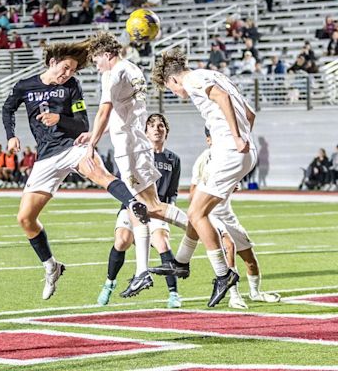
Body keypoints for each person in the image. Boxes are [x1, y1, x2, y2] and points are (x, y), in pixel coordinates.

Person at [2, 40, 149, 300]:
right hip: (46, 157)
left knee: (98, 173)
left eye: (72, 70)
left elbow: (82, 123)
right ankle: (51, 266)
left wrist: (60, 119)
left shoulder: (71, 86)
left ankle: (133, 202)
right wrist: (11, 136)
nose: (67, 74)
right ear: (51, 63)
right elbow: (8, 108)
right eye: (65, 68)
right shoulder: (25, 86)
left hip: (72, 147)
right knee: (25, 219)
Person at [78, 32, 194, 299]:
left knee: (149, 207)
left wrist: (92, 143)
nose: (96, 66)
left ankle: (202, 226)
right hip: (137, 145)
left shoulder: (113, 73)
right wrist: (97, 134)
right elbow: (123, 114)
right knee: (141, 208)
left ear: (107, 54)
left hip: (129, 149)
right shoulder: (133, 69)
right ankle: (142, 271)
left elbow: (106, 110)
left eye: (96, 60)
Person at [149, 48, 257, 307]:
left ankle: (223, 274)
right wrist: (242, 142)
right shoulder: (215, 74)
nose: (176, 93)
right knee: (195, 209)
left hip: (229, 150)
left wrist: (235, 138)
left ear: (173, 79)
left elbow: (220, 98)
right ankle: (181, 263)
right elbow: (250, 113)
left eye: (170, 89)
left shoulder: (193, 79)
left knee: (197, 215)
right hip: (237, 153)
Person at [97, 113, 182, 308]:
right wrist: (130, 203)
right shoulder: (137, 154)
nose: (156, 129)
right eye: (152, 125)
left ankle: (173, 294)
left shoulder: (173, 159)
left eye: (161, 125)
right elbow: (123, 183)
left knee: (162, 242)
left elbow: (173, 191)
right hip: (132, 206)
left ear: (166, 131)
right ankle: (109, 284)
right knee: (122, 240)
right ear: (145, 131)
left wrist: (170, 209)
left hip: (156, 209)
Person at [191, 128, 281, 309]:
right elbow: (193, 193)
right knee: (229, 246)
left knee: (250, 259)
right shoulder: (204, 160)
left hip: (227, 214)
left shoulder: (230, 157)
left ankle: (255, 293)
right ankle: (234, 295)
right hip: (211, 214)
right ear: (209, 140)